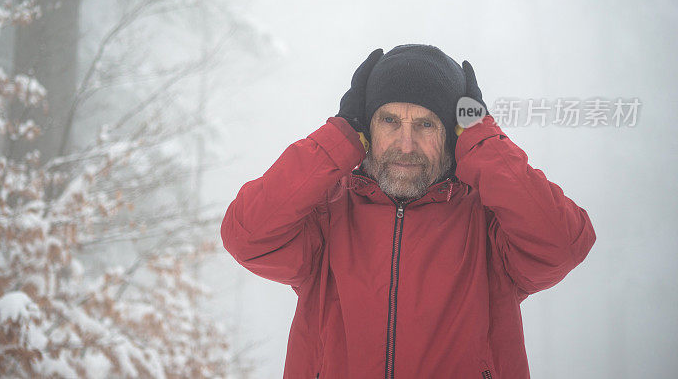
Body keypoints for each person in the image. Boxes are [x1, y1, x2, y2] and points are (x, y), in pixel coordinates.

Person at [220, 44, 596, 379]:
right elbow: (247, 236)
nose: (405, 143)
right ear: (365, 128)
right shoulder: (328, 215)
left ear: (453, 133)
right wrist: (338, 136)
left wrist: (484, 140)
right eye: (388, 121)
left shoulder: (489, 222)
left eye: (425, 124)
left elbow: (562, 245)